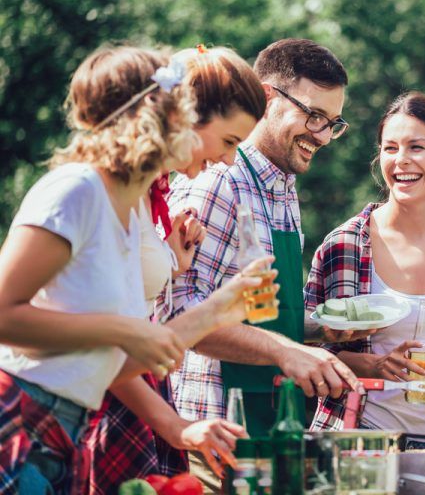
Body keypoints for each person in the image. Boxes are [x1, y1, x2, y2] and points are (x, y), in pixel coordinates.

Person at [0, 45, 269, 494]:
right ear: (163, 117)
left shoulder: (129, 218)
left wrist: (220, 308)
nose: (227, 160)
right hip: (20, 424)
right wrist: (122, 331)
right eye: (187, 112)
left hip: (66, 435)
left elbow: (107, 365)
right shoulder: (76, 189)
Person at [165, 38, 360, 491]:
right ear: (268, 97)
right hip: (212, 440)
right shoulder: (217, 181)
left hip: (270, 432)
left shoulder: (284, 188)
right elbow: (178, 319)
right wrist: (284, 351)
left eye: (334, 123)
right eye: (313, 116)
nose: (323, 135)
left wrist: (317, 330)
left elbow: (258, 311)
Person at [83, 45, 269, 493]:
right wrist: (219, 309)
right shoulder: (88, 192)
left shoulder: (150, 198)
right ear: (184, 116)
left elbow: (121, 329)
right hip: (89, 403)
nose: (229, 160)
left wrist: (171, 261)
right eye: (228, 142)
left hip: (134, 391)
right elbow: (97, 338)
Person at [306, 92, 425, 449]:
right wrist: (372, 365)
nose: (401, 161)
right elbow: (305, 347)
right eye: (390, 148)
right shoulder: (344, 245)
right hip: (357, 445)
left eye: (416, 147)